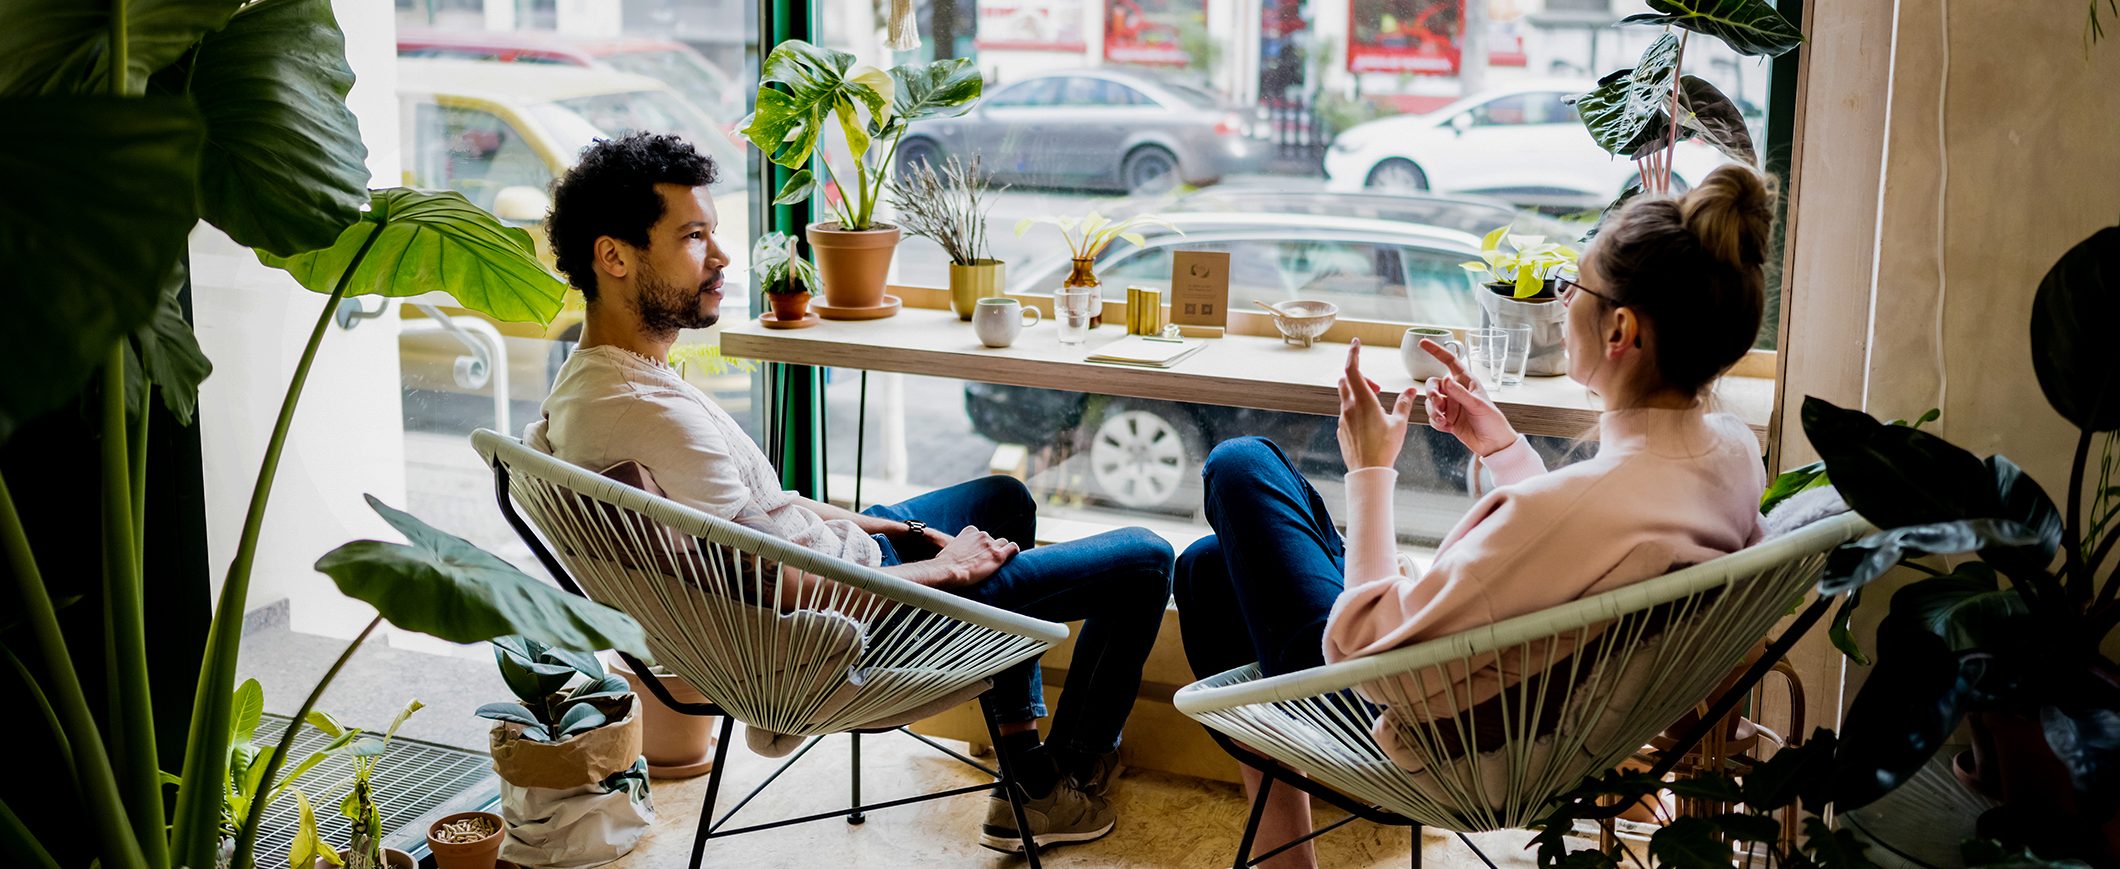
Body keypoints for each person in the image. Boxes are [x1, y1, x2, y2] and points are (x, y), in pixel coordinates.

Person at [522, 132, 1174, 854]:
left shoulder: (601, 383)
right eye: (694, 236)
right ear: (614, 257)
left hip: (848, 570)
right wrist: (940, 568)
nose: (721, 256)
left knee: (999, 498)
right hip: (856, 618)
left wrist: (890, 528)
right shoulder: (643, 414)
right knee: (1146, 559)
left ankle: (1028, 776)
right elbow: (788, 578)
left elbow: (758, 518)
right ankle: (1065, 775)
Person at [1173, 164, 1776, 868]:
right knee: (1209, 570)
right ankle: (1284, 849)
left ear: (1620, 330)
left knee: (1242, 464)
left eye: (1572, 288)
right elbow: (1585, 540)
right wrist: (1504, 447)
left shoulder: (1571, 510)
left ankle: (1282, 850)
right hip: (1522, 713)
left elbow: (1361, 653)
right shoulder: (1730, 455)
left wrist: (1371, 469)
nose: (1561, 304)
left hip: (1428, 734)